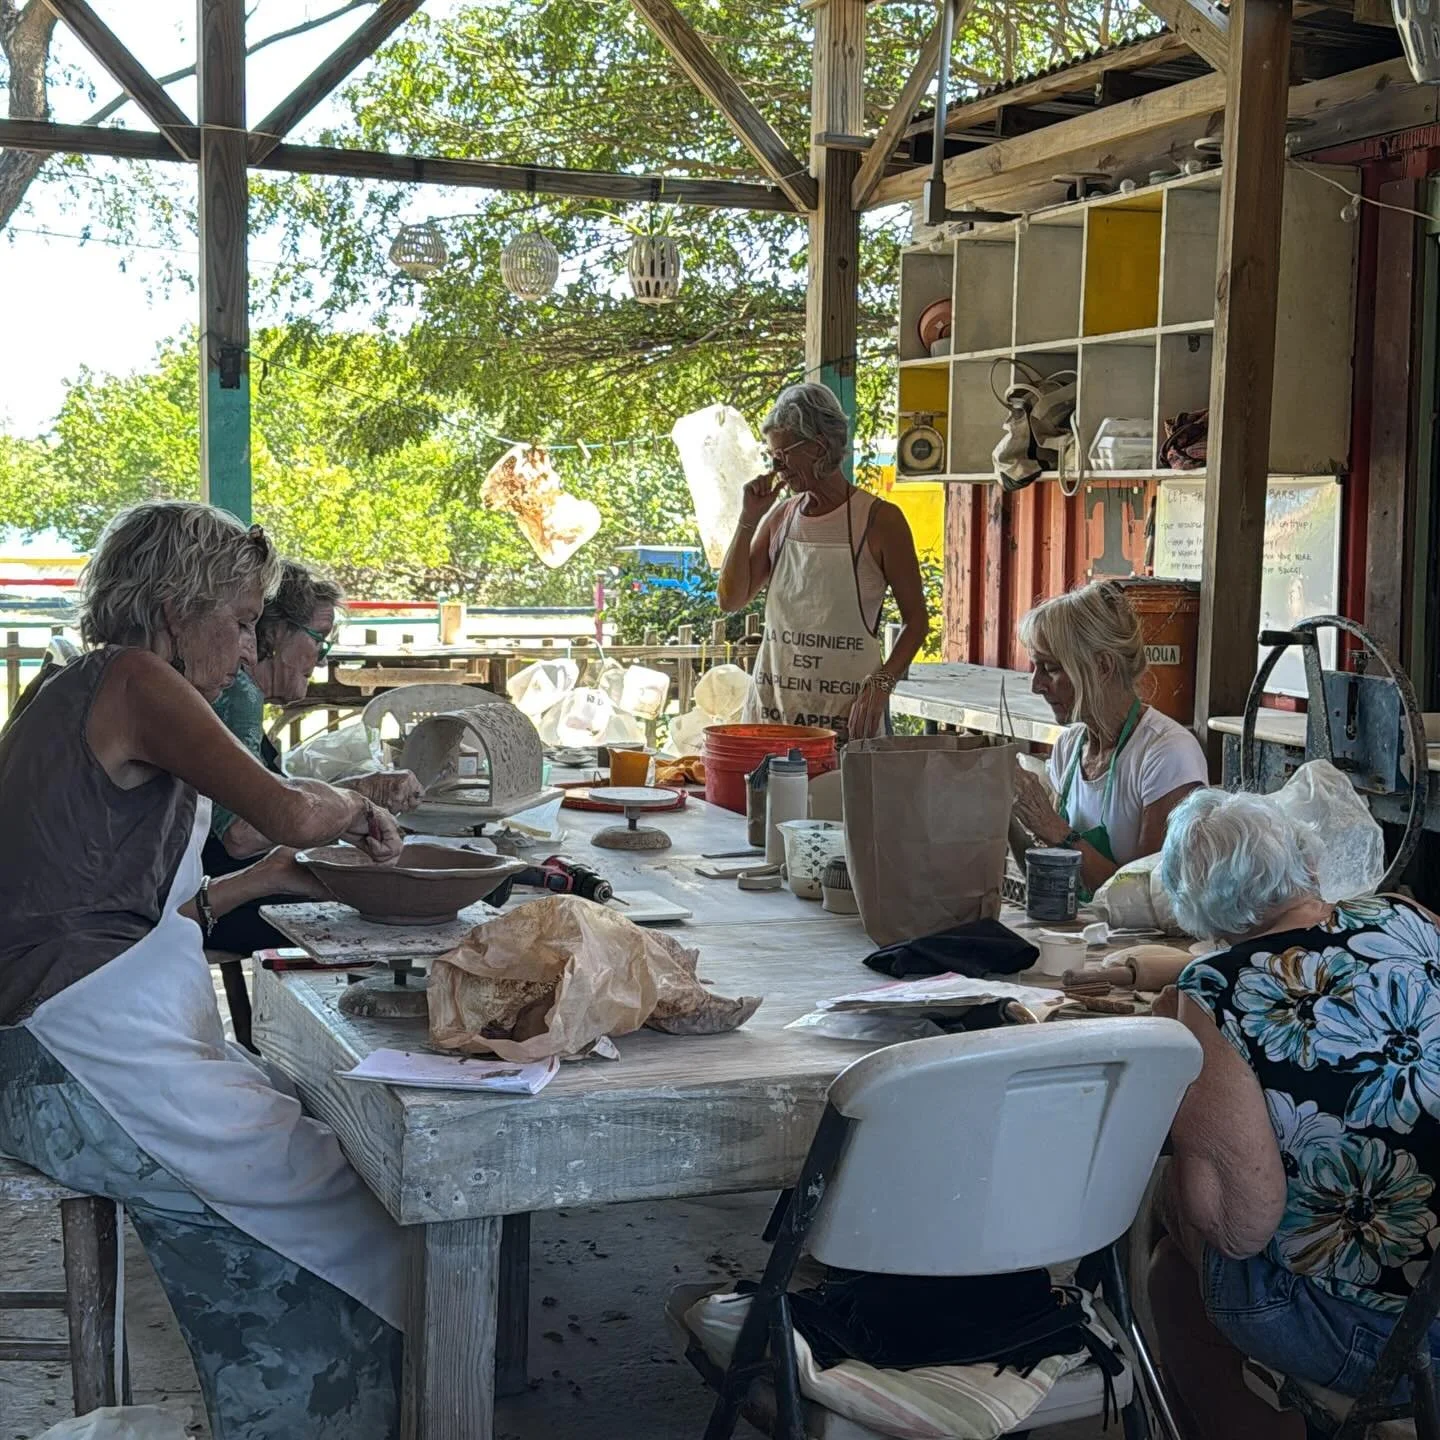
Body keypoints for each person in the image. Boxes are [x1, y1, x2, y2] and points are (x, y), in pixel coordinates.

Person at [0, 502, 410, 1439]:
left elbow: (168, 895)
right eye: (234, 621)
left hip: (50, 1050)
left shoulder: (77, 693)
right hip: (72, 1065)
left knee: (311, 1120)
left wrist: (266, 878)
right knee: (336, 1192)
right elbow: (292, 810)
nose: (240, 648)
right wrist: (353, 805)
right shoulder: (138, 680)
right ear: (176, 607)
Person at [1147, 788, 1440, 1440]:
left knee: (1172, 1224)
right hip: (1427, 1290)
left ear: (1194, 907)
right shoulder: (1407, 918)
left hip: (1397, 1342)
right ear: (1308, 863)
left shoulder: (1217, 993)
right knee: (1172, 1275)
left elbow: (1236, 1229)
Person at [205, 559, 422, 957]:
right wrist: (355, 797)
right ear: (272, 633)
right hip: (213, 903)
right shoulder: (239, 694)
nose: (322, 659)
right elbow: (240, 834)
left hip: (210, 891)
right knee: (386, 915)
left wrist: (345, 807)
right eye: (318, 639)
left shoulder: (239, 696)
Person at [718, 382, 929, 742]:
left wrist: (881, 684)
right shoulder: (781, 518)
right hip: (772, 715)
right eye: (772, 456)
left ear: (818, 447)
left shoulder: (879, 521)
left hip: (846, 721)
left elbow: (917, 621)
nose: (776, 466)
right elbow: (731, 599)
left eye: (783, 454)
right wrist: (748, 518)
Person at [1012, 581, 1208, 896]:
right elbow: (1055, 877)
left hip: (1141, 941)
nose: (1036, 686)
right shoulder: (1070, 747)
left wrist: (1055, 830)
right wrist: (1008, 812)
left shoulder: (1167, 752)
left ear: (1102, 666)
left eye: (1050, 668)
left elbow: (1148, 896)